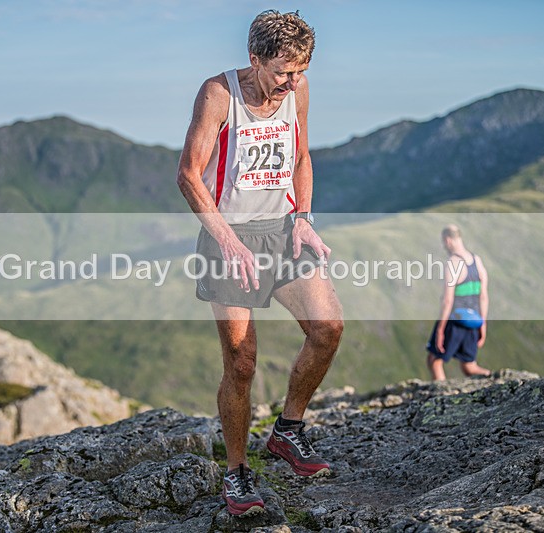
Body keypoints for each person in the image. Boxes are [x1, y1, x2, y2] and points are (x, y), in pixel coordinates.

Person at [176, 10, 344, 517]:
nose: (293, 82)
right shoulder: (219, 94)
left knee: (328, 327)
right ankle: (236, 471)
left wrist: (305, 217)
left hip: (284, 230)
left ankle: (287, 432)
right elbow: (188, 175)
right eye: (283, 72)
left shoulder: (299, 90)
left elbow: (301, 157)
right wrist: (226, 240)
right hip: (229, 237)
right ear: (254, 59)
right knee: (242, 364)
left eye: (301, 71)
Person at [426, 224, 491, 381]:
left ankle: (443, 395)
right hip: (474, 320)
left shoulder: (453, 263)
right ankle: (492, 378)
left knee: (434, 361)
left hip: (455, 320)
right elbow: (483, 296)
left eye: (444, 243)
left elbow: (448, 300)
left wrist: (441, 329)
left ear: (448, 240)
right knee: (469, 366)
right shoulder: (477, 261)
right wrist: (482, 323)